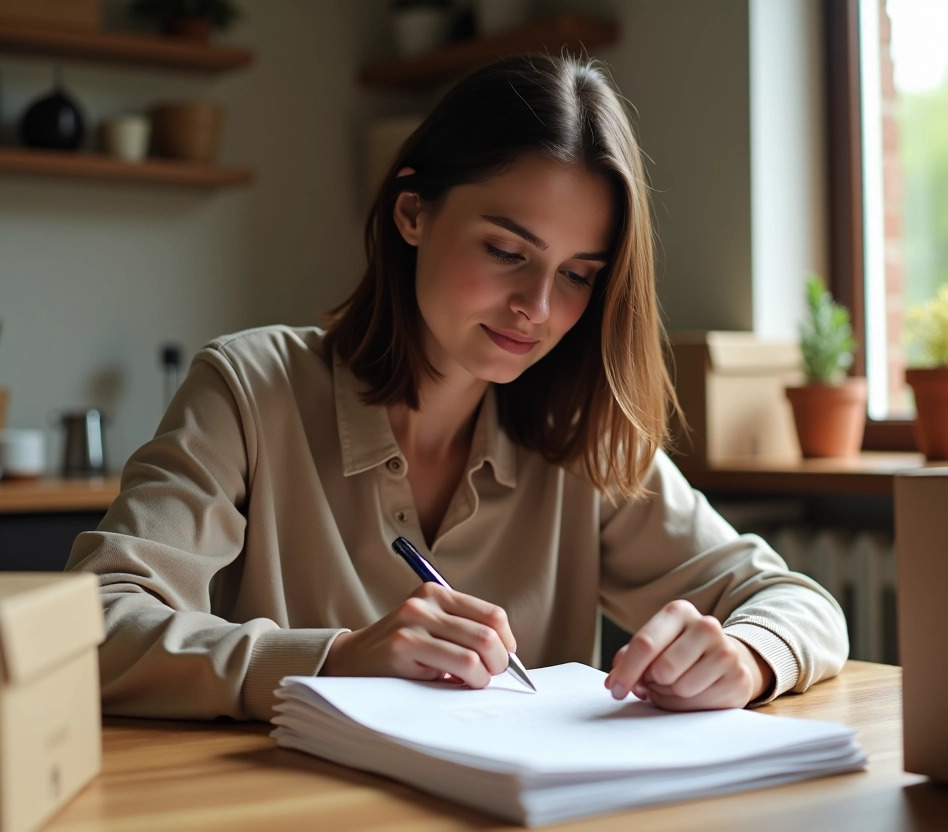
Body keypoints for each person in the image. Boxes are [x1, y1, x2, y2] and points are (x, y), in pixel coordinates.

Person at [66, 53, 847, 722]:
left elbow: (799, 603)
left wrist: (748, 653)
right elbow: (87, 628)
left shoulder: (581, 438)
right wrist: (331, 660)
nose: (538, 310)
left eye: (578, 275)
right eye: (508, 251)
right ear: (412, 213)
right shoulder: (247, 390)